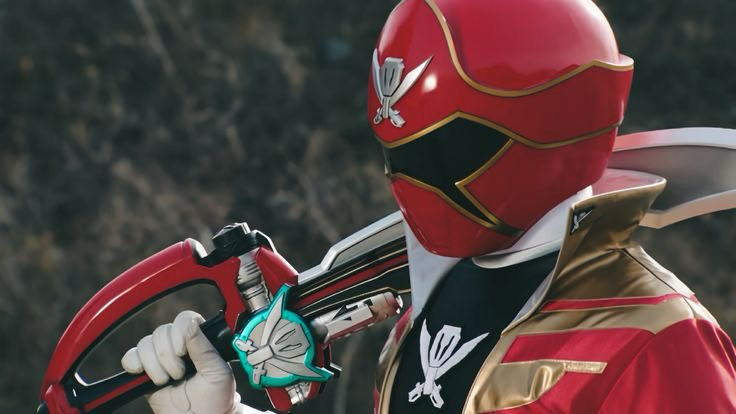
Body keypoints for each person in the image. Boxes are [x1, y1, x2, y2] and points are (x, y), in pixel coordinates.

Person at [122, 0, 736, 412]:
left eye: (447, 150)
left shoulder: (657, 341)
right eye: (398, 151)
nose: (411, 180)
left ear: (553, 127)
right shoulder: (428, 305)